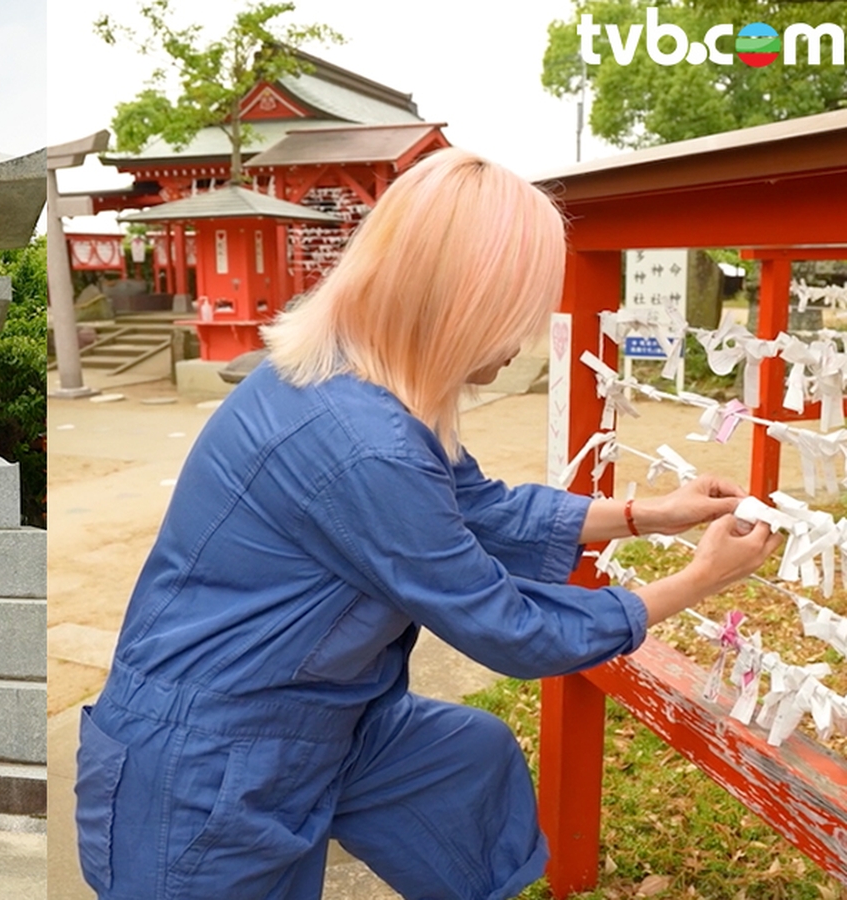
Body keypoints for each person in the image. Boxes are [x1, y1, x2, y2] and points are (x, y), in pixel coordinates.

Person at [73, 148, 782, 900]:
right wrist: (702, 577)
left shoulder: (357, 382)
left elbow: (481, 507)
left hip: (320, 717)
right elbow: (509, 628)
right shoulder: (363, 442)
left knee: (468, 757)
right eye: (515, 316)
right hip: (210, 754)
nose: (520, 343)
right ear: (460, 304)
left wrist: (653, 514)